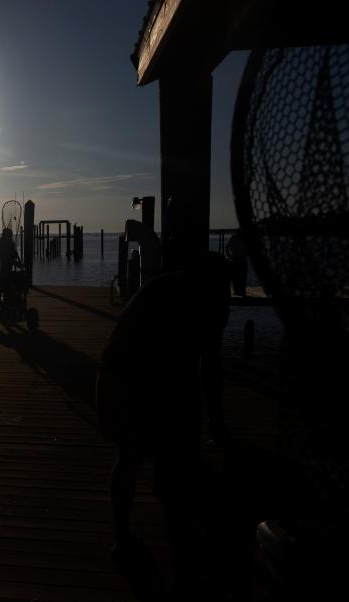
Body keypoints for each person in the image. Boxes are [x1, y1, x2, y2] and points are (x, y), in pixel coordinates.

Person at [96, 251, 232, 596]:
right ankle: (182, 572)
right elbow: (209, 368)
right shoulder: (209, 300)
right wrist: (216, 423)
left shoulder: (161, 287)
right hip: (134, 374)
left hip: (118, 369)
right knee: (173, 475)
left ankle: (123, 538)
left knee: (130, 456)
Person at [225, 232, 248, 297]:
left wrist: (229, 256)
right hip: (242, 260)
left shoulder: (233, 238)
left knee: (235, 277)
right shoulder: (244, 239)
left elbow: (226, 248)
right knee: (242, 276)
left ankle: (237, 291)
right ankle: (242, 291)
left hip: (235, 260)